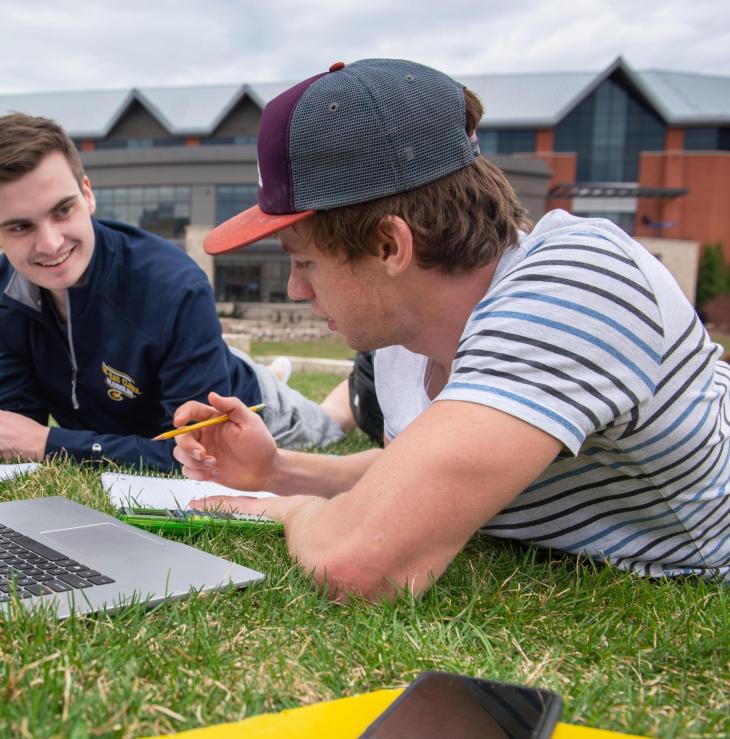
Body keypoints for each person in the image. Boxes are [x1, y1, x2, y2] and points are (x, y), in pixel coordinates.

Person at [171, 58, 730, 598]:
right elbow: (416, 475)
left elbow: (360, 561)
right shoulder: (402, 341)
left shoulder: (580, 283)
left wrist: (287, 509)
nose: (296, 288)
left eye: (305, 261)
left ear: (390, 246)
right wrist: (279, 469)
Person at [0, 113, 344, 470]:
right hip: (147, 401)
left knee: (335, 424)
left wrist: (49, 443)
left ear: (87, 194)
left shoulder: (173, 286)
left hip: (254, 410)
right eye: (20, 226)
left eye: (62, 210)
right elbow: (14, 433)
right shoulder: (4, 295)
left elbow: (197, 454)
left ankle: (308, 388)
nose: (51, 243)